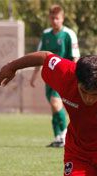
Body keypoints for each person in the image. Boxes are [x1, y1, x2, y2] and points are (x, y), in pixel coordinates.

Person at [30, 4, 80, 148]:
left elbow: (75, 57)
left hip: (65, 76)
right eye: (52, 18)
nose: (55, 21)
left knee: (55, 102)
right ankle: (58, 136)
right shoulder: (46, 35)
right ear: (49, 19)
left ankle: (65, 135)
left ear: (62, 18)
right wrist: (34, 76)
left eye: (57, 18)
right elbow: (39, 56)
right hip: (49, 77)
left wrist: (76, 77)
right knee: (54, 106)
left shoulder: (69, 34)